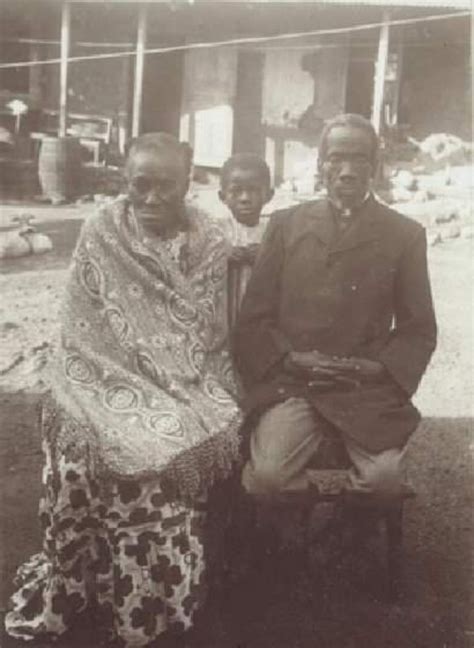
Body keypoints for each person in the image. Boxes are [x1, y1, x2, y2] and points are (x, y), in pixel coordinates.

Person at [6, 133, 242, 647]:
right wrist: (108, 386)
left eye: (167, 186)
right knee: (77, 461)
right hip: (93, 379)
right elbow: (80, 325)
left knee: (163, 455)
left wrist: (164, 382)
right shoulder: (102, 228)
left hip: (182, 381)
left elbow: (204, 328)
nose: (153, 198)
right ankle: (83, 591)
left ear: (187, 185)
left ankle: (149, 607)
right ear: (125, 183)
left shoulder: (208, 238)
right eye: (141, 185)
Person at [233, 113, 437, 509]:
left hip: (364, 389)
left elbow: (419, 329)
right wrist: (292, 359)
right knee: (268, 480)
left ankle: (345, 531)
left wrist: (375, 368)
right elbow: (254, 318)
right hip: (296, 384)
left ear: (376, 168)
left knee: (383, 482)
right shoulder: (286, 224)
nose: (347, 171)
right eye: (336, 158)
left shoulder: (405, 234)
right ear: (320, 164)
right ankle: (319, 508)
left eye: (360, 160)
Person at [218, 153, 274, 325]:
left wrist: (266, 256)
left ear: (269, 195)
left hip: (262, 314)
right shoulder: (215, 231)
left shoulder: (274, 230)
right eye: (236, 191)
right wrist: (222, 255)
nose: (245, 199)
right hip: (224, 312)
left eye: (253, 191)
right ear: (223, 196)